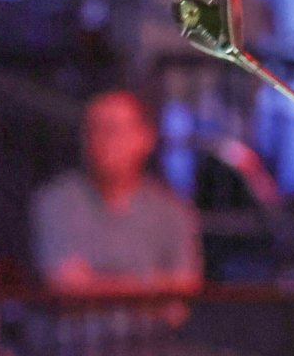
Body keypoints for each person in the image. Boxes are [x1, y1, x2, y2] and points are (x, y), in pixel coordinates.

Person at [32, 90, 202, 295]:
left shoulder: (173, 211)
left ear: (145, 138)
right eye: (92, 130)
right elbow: (65, 287)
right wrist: (153, 286)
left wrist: (95, 285)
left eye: (111, 129)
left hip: (152, 329)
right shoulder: (56, 202)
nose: (100, 140)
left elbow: (181, 296)